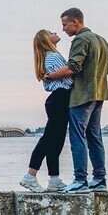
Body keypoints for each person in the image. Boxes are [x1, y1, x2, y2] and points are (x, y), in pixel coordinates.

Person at [44, 8, 108, 193]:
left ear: (76, 22)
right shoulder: (101, 40)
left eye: (65, 25)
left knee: (77, 137)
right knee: (94, 137)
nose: (64, 29)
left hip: (82, 95)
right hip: (99, 94)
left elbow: (73, 67)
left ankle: (80, 180)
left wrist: (50, 76)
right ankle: (99, 179)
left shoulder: (81, 39)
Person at [19, 30, 72, 192]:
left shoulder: (48, 57)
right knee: (49, 140)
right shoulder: (54, 57)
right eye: (51, 33)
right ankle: (30, 176)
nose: (55, 32)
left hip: (57, 99)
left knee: (56, 142)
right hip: (61, 99)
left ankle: (54, 179)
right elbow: (70, 74)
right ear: (46, 40)